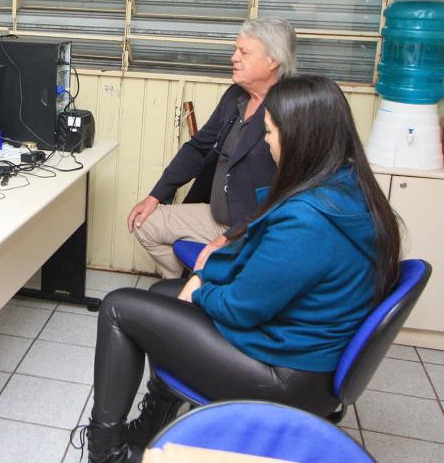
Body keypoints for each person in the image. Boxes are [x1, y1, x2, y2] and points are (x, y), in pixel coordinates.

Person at [81, 75, 402, 462]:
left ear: (300, 138)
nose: (266, 142)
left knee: (118, 307)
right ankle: (153, 422)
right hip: (301, 353)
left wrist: (200, 289)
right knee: (159, 297)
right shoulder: (345, 185)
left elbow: (240, 308)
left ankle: (107, 452)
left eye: (270, 132)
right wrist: (202, 275)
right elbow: (248, 255)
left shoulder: (308, 221)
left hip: (284, 376)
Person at [127, 18, 296, 279]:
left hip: (254, 228)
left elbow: (290, 197)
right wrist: (155, 196)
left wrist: (233, 236)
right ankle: (182, 288)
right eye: (235, 50)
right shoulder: (234, 97)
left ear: (273, 60)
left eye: (244, 52)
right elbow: (197, 148)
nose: (233, 58)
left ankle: (201, 289)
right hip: (216, 216)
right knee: (145, 223)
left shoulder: (290, 109)